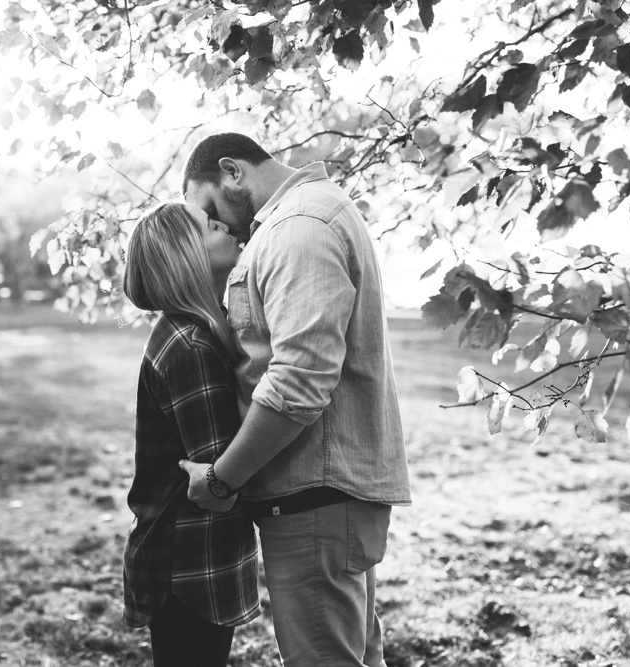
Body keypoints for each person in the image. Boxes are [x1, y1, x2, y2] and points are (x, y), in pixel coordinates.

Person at [178, 132, 412, 667]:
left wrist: (221, 479)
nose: (215, 227)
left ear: (232, 172)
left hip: (314, 498)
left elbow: (297, 384)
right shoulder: (308, 217)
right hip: (324, 498)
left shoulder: (297, 229)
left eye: (208, 209)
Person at [121, 200, 260, 667]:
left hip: (196, 556)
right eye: (208, 225)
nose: (224, 223)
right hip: (186, 562)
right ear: (186, 257)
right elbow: (221, 470)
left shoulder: (200, 332)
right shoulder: (190, 345)